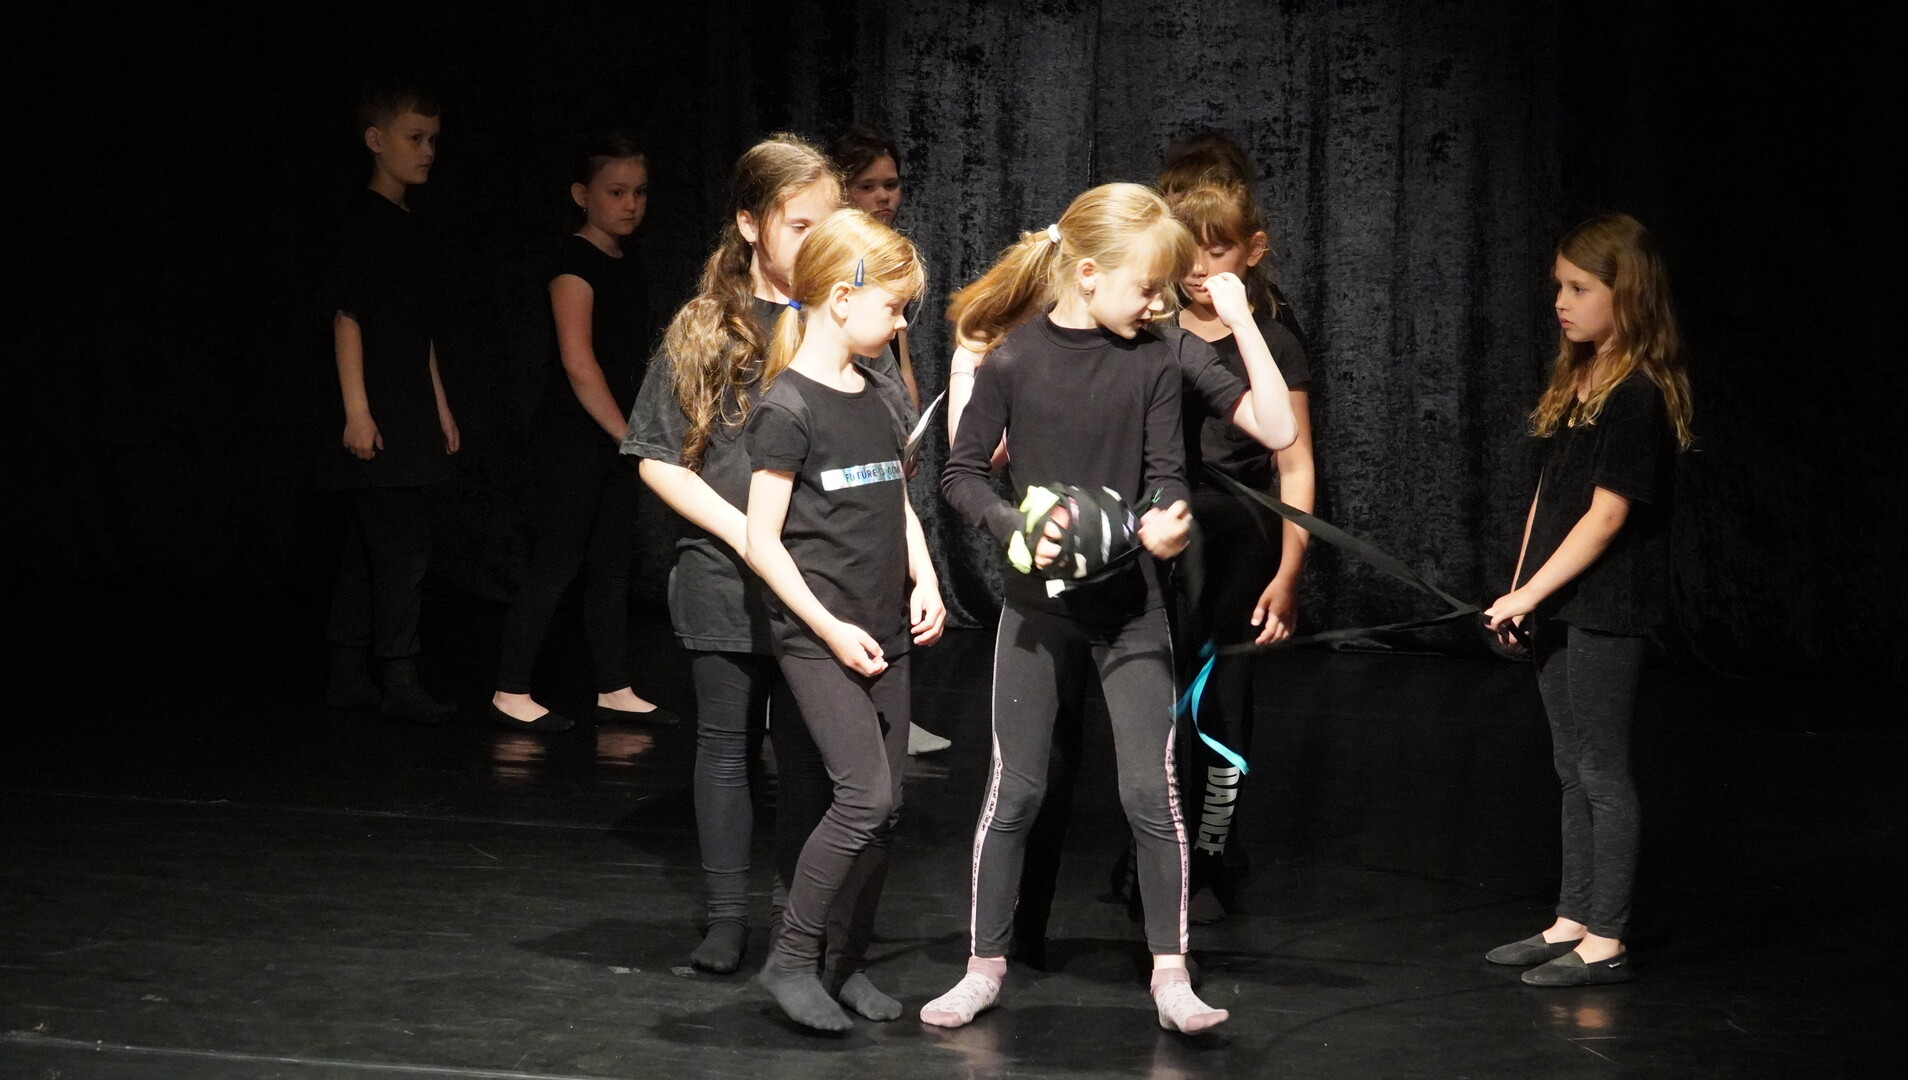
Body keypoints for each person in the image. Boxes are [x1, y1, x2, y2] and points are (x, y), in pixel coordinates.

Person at [925, 183, 1296, 1034]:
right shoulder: (1016, 358)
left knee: (1149, 793)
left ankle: (1172, 974)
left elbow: (1193, 462)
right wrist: (1015, 525)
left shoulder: (1157, 355)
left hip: (1131, 608)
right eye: (1147, 286)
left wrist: (1165, 519)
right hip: (1038, 609)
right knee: (1015, 790)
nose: (1159, 302)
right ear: (1088, 273)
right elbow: (961, 472)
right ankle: (983, 966)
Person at [624, 134, 908, 977]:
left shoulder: (843, 319)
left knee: (813, 759)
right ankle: (725, 918)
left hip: (820, 585)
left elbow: (886, 450)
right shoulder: (708, 325)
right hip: (726, 577)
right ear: (751, 224)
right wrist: (748, 535)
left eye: (831, 223)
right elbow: (657, 457)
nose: (818, 240)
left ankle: (799, 920)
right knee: (725, 747)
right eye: (800, 224)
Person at [743, 208, 944, 1031]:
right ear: (841, 297)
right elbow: (761, 539)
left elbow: (895, 498)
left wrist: (925, 575)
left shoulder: (879, 393)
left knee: (887, 810)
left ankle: (846, 964)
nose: (900, 324)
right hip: (818, 637)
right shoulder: (788, 407)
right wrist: (826, 627)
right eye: (893, 307)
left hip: (883, 625)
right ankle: (791, 960)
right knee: (862, 797)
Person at [1482, 212, 1693, 987]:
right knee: (1570, 765)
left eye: (1578, 289)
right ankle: (1571, 918)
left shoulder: (1636, 394)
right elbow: (1551, 495)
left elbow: (1607, 516)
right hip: (1560, 599)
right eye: (1559, 288)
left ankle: (1606, 938)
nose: (1561, 303)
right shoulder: (1579, 378)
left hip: (1608, 605)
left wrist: (1536, 589)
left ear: (1624, 294)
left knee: (1602, 767)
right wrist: (1521, 589)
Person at [488, 132, 675, 733]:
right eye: (616, 192)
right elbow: (578, 363)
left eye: (639, 192)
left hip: (617, 435)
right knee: (557, 563)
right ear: (581, 195)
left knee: (611, 565)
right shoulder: (573, 264)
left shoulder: (628, 262)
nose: (631, 204)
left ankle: (614, 687)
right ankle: (510, 689)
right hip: (572, 436)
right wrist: (628, 435)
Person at [320, 79, 459, 724]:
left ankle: (347, 673)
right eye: (415, 138)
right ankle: (398, 676)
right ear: (376, 141)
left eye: (433, 139)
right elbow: (347, 317)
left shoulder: (410, 226)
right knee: (401, 551)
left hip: (409, 409)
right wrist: (357, 411)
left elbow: (416, 329)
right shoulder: (362, 221)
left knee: (368, 549)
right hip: (377, 412)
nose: (427, 150)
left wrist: (440, 405)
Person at [830, 122, 950, 756]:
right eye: (868, 186)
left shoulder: (892, 256)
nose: (883, 197)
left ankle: (890, 709)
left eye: (892, 185)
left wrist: (908, 419)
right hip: (840, 423)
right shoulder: (839, 263)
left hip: (882, 415)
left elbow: (897, 352)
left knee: (892, 554)